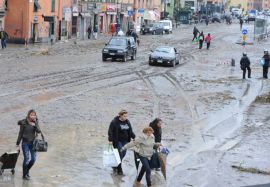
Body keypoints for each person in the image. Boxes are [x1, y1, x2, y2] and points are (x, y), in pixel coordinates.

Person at [108, 109, 135, 175]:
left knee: (123, 154)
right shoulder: (114, 122)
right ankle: (120, 170)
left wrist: (134, 137)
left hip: (125, 141)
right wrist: (110, 140)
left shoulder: (127, 122)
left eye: (126, 116)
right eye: (124, 116)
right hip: (117, 141)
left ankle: (115, 165)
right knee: (120, 153)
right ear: (120, 115)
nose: (126, 117)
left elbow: (130, 131)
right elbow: (110, 131)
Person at [16, 109, 42, 180]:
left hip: (33, 144)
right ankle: (24, 175)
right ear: (28, 115)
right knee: (26, 158)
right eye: (31, 115)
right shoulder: (24, 122)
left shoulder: (35, 122)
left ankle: (26, 171)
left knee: (33, 159)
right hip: (25, 143)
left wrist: (36, 123)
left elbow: (39, 131)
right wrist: (17, 143)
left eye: (34, 115)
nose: (33, 116)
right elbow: (20, 133)